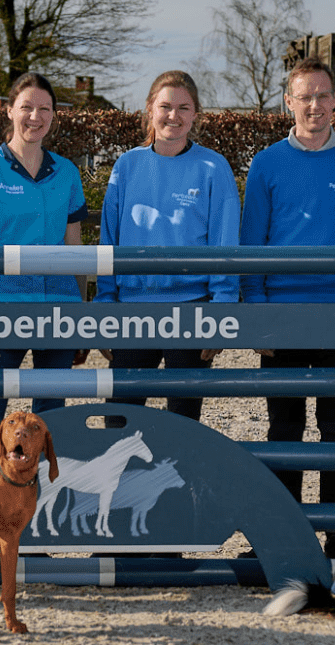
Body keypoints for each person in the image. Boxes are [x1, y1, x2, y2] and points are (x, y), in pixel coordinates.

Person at [240, 58, 335, 556]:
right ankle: (283, 536)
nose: (314, 105)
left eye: (323, 95)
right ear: (289, 102)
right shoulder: (267, 163)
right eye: (304, 96)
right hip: (281, 314)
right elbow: (251, 242)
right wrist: (257, 311)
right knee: (284, 428)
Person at [94, 70, 239, 420]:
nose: (173, 115)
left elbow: (225, 243)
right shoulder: (127, 166)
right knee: (119, 420)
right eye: (165, 106)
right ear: (149, 109)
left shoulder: (213, 167)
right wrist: (104, 306)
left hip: (191, 309)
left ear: (195, 113)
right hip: (131, 310)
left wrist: (221, 311)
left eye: (183, 108)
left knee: (183, 421)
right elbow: (108, 240)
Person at [0, 72, 89, 438]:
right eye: (26, 107)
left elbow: (76, 249)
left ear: (54, 115)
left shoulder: (66, 172)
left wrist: (81, 315)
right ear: (9, 111)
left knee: (50, 418)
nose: (35, 116)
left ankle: (42, 479)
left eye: (44, 109)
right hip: (3, 308)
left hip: (60, 307)